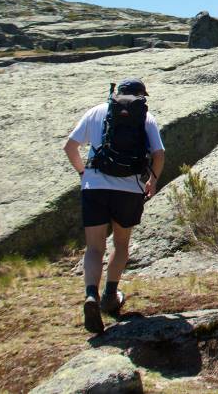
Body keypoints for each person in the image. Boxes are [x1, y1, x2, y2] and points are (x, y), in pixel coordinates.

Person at [63, 78, 165, 334]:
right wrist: (152, 180)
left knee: (94, 248)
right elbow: (159, 154)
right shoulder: (146, 117)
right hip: (129, 189)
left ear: (117, 93)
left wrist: (82, 173)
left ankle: (90, 295)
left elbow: (70, 147)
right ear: (142, 96)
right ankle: (110, 294)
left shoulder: (97, 112)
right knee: (121, 244)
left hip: (94, 187)